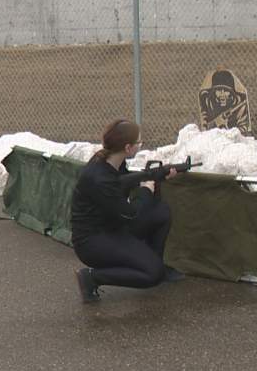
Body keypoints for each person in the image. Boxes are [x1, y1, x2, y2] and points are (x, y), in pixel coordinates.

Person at [71, 119, 183, 303]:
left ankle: (154, 264)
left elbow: (123, 182)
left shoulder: (113, 162)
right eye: (139, 143)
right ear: (128, 148)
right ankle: (92, 277)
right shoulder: (99, 178)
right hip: (92, 241)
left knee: (160, 212)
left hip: (112, 227)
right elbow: (131, 213)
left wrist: (156, 176)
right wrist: (145, 189)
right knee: (152, 274)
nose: (141, 145)